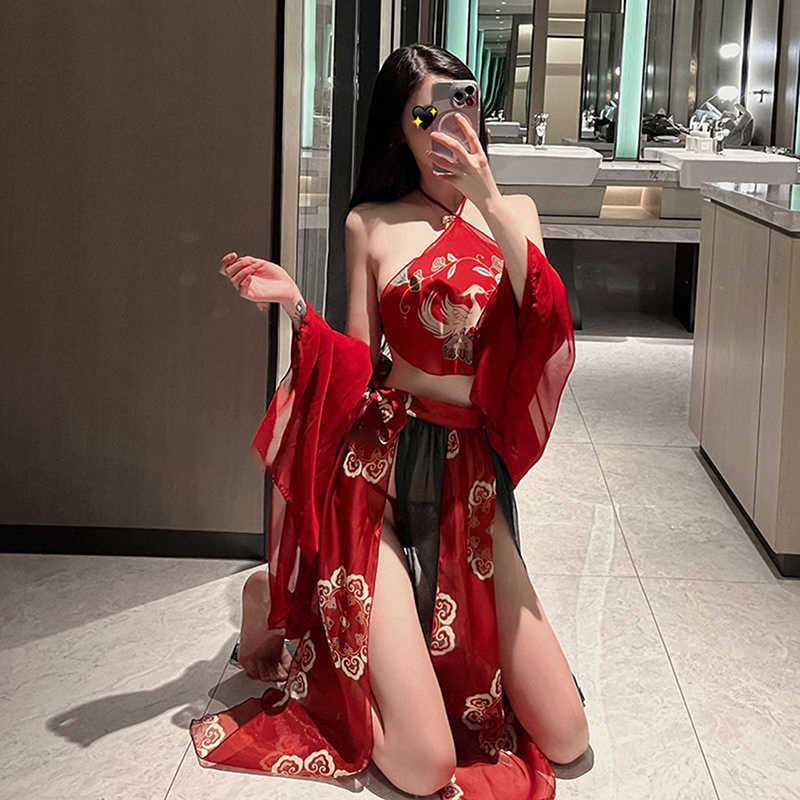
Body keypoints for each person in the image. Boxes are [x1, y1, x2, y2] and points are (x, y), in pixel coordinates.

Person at [190, 43, 586, 800]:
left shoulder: (515, 214)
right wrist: (295, 305)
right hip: (379, 474)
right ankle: (294, 614)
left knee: (567, 738)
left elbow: (543, 316)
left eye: (462, 102)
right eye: (425, 116)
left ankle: (361, 628)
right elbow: (358, 360)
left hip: (469, 478)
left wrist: (487, 194)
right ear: (399, 132)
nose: (449, 125)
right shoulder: (369, 222)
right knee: (424, 764)